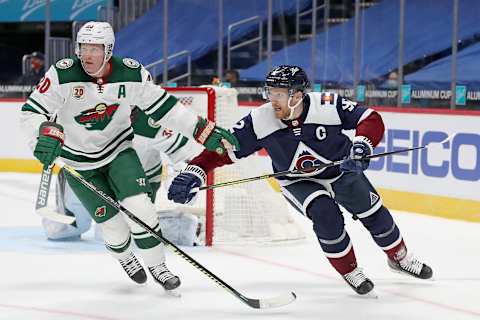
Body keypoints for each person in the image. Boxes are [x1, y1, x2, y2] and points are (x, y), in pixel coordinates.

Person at [168, 65, 433, 296]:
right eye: (270, 92)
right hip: (298, 182)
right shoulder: (260, 120)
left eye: (279, 94)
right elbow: (224, 150)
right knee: (326, 215)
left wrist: (362, 144)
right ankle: (350, 270)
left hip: (341, 170)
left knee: (376, 216)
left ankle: (399, 258)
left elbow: (369, 118)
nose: (273, 100)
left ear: (297, 95)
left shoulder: (327, 104)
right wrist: (195, 171)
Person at [20, 21, 239, 293]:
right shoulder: (62, 74)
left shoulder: (132, 74)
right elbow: (32, 112)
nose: (87, 55)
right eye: (83, 47)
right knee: (112, 227)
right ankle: (125, 258)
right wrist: (41, 135)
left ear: (109, 50)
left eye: (95, 49)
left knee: (141, 209)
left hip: (118, 151)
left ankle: (159, 266)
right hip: (78, 163)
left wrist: (202, 130)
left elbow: (167, 108)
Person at [44, 113, 204, 247]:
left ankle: (185, 227)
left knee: (114, 234)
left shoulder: (151, 119)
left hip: (137, 182)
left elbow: (183, 152)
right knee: (66, 228)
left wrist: (185, 175)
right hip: (88, 174)